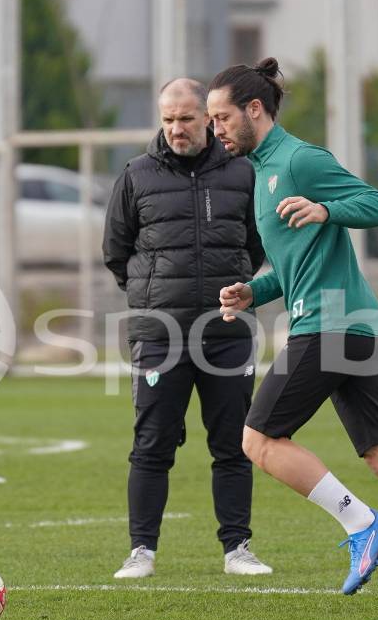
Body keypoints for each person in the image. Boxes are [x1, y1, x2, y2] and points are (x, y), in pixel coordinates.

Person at [208, 58, 378, 612]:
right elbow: (294, 267)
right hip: (352, 325)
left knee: (257, 440)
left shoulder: (299, 159)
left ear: (254, 109)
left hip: (329, 323)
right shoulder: (262, 172)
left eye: (222, 117)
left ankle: (361, 524)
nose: (216, 130)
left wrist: (326, 208)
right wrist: (253, 292)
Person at [103, 78, 271, 579]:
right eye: (168, 120)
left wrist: (229, 285)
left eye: (186, 119)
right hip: (160, 334)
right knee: (151, 444)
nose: (176, 128)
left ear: (208, 119)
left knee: (233, 443)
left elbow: (256, 245)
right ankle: (141, 552)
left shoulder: (243, 172)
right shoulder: (135, 175)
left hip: (228, 332)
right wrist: (154, 297)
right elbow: (116, 251)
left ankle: (237, 549)